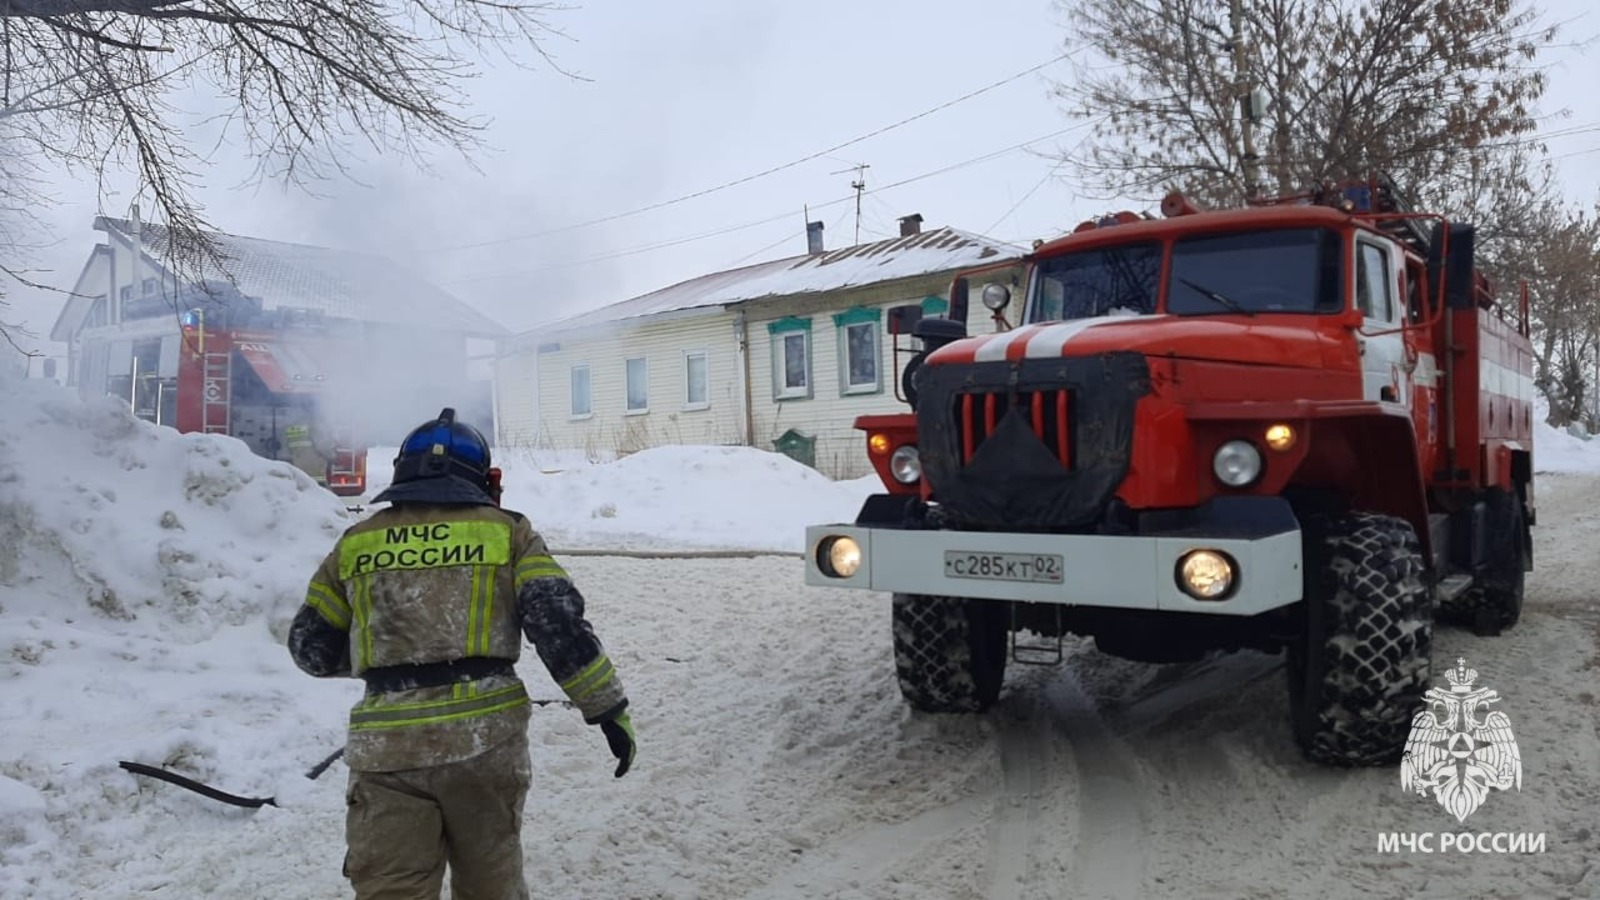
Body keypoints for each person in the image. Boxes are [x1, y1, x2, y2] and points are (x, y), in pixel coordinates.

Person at [288, 408, 635, 900]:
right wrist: (607, 709)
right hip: (485, 746)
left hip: (389, 753)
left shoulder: (356, 543)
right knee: (490, 883)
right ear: (485, 480)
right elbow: (557, 624)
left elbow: (310, 648)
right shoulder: (508, 532)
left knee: (392, 890)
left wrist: (388, 650)